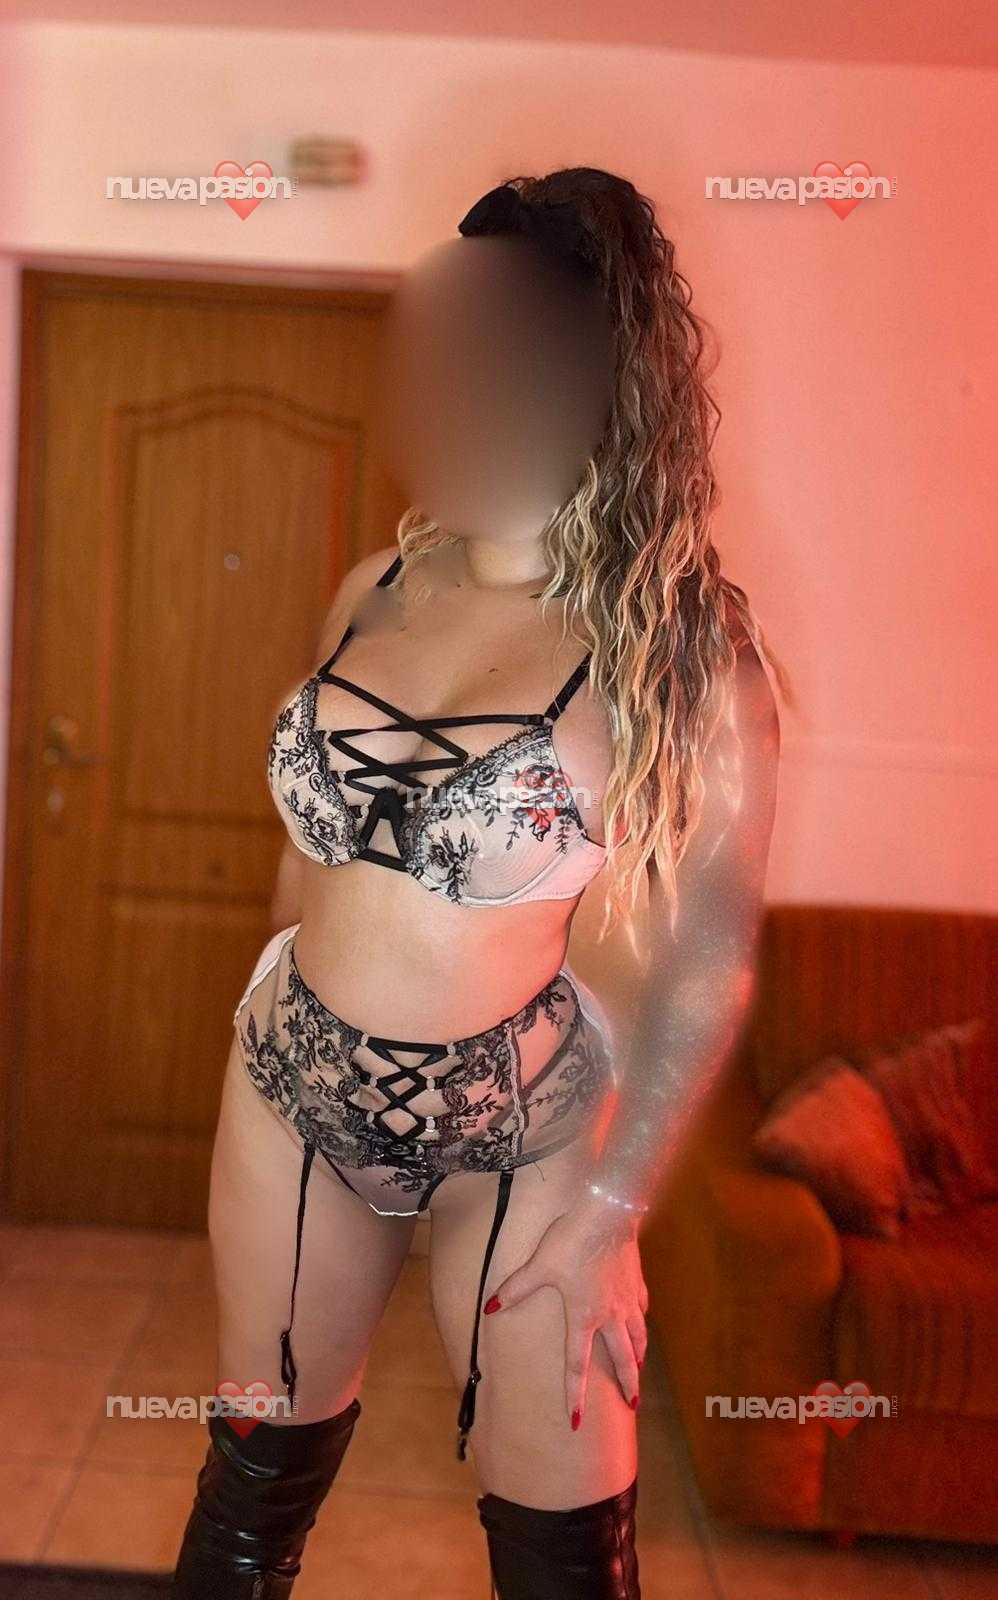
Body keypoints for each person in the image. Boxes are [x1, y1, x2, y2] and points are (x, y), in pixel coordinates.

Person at [173, 166, 787, 1600]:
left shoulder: (680, 649)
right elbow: (306, 860)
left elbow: (708, 955)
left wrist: (617, 1212)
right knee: (245, 1508)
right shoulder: (377, 588)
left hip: (522, 1132)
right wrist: (286, 993)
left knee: (563, 1561)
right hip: (291, 1089)